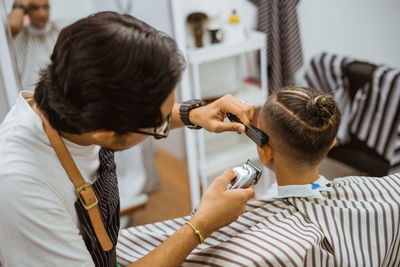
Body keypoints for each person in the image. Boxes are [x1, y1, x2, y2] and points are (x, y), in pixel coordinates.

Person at [0, 12, 256, 266]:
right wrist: (201, 224)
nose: (164, 124)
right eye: (157, 125)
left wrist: (194, 113)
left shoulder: (74, 98)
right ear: (105, 135)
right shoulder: (24, 187)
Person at [117, 86, 400, 266]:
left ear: (264, 151)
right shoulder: (376, 193)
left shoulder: (255, 249)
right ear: (331, 144)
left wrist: (199, 223)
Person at [8, 0, 59, 91]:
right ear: (26, 11)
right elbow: (12, 25)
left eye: (45, 7)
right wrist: (21, 3)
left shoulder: (60, 30)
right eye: (35, 8)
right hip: (29, 99)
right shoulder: (17, 37)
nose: (42, 14)